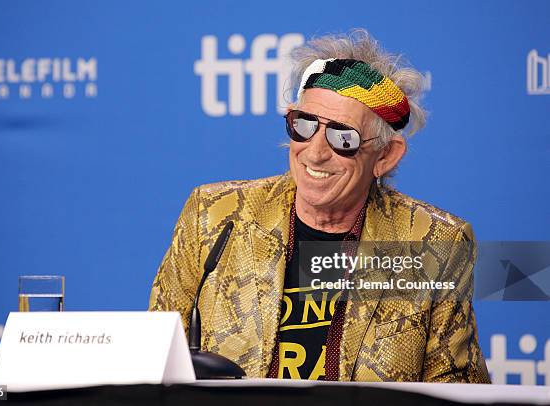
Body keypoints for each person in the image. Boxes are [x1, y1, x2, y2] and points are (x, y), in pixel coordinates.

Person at [149, 29, 490, 383]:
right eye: (305, 125)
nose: (314, 152)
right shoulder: (216, 215)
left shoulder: (436, 243)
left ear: (385, 156)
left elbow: (458, 390)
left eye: (344, 138)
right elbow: (152, 359)